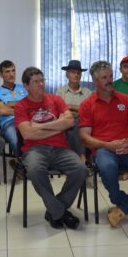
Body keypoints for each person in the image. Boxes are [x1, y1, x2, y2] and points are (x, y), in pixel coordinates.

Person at [79, 61, 128, 227]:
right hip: (104, 149)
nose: (109, 80)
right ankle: (124, 204)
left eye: (110, 76)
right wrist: (107, 145)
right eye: (104, 77)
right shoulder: (87, 105)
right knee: (107, 167)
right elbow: (84, 137)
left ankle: (122, 208)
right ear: (95, 81)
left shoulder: (125, 100)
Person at [14, 67, 87, 229]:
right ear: (25, 85)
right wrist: (58, 126)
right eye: (36, 82)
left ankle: (54, 210)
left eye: (42, 80)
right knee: (34, 170)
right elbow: (28, 134)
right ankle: (59, 212)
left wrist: (43, 127)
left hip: (61, 148)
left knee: (80, 169)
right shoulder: (21, 106)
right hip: (34, 150)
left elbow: (69, 122)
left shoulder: (56, 100)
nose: (41, 84)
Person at [54, 60, 92, 161]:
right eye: (72, 72)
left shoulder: (88, 93)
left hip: (84, 124)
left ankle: (75, 159)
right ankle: (81, 157)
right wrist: (79, 109)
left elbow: (90, 111)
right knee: (73, 124)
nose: (76, 75)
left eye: (78, 73)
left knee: (77, 124)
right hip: (65, 123)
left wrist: (70, 107)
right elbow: (59, 111)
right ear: (67, 74)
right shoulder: (60, 92)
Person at [0, 60, 28, 157]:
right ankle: (23, 165)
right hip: (9, 123)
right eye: (7, 71)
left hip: (27, 120)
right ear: (0, 75)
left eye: (13, 70)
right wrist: (22, 107)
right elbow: (2, 111)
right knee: (16, 140)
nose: (11, 74)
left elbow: (32, 107)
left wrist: (9, 105)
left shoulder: (23, 88)